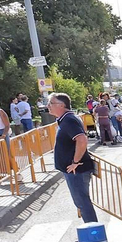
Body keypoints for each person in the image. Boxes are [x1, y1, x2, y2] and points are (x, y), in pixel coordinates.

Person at [46, 93, 99, 224]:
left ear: (61, 105)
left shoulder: (69, 120)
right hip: (74, 170)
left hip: (77, 170)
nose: (48, 106)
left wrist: (75, 162)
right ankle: (91, 231)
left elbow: (81, 140)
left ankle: (94, 234)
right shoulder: (65, 119)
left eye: (51, 103)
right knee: (81, 202)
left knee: (82, 202)